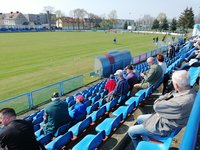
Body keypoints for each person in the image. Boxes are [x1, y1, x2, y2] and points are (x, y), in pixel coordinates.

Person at [128, 70, 196, 149]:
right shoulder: (190, 92)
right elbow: (170, 94)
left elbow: (156, 105)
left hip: (164, 127)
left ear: (177, 85)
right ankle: (147, 138)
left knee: (131, 131)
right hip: (167, 119)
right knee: (140, 118)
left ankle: (141, 146)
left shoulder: (179, 103)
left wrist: (163, 98)